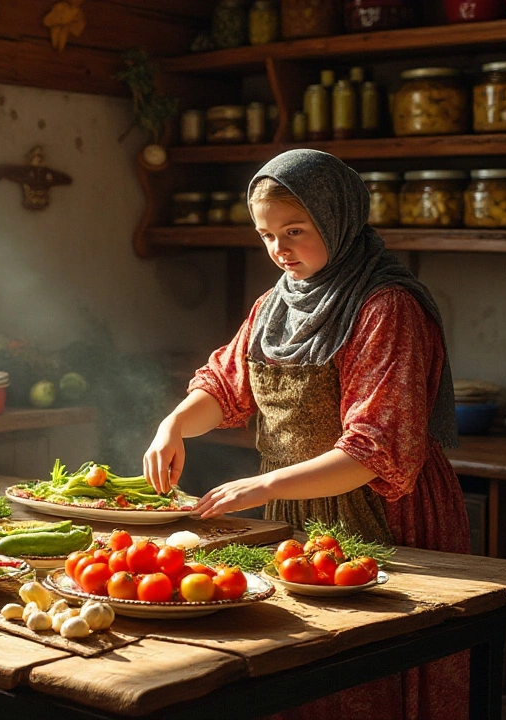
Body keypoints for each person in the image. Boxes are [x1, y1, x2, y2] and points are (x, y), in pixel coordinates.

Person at [143, 149, 470, 719]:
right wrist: (173, 425)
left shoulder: (386, 307)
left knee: (373, 679)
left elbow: (374, 449)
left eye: (295, 231)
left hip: (380, 512)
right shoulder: (275, 304)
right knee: (297, 679)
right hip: (294, 515)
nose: (279, 250)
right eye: (266, 234)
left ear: (339, 219)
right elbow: (224, 386)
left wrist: (265, 487)